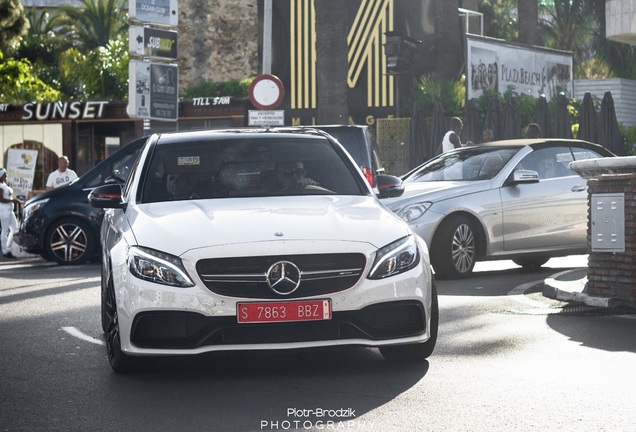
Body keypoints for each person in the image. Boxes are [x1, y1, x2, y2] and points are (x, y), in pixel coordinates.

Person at [0, 168, 23, 259]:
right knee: (5, 230)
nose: (6, 175)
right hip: (3, 210)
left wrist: (15, 199)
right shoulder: (0, 187)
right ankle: (5, 250)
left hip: (10, 210)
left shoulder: (5, 185)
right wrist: (13, 200)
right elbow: (1, 199)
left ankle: (8, 247)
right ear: (1, 176)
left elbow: (9, 196)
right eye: (5, 174)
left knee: (15, 229)